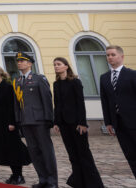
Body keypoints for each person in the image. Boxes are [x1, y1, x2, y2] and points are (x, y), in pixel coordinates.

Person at [53, 57, 104, 188]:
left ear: (66, 66)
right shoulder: (56, 84)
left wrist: (82, 123)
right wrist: (56, 122)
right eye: (54, 65)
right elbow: (57, 104)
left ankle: (94, 184)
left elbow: (80, 103)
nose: (56, 67)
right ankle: (79, 182)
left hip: (76, 123)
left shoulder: (75, 82)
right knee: (72, 155)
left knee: (84, 153)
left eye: (58, 64)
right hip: (64, 124)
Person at [13, 52, 57, 188]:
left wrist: (49, 119)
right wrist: (18, 120)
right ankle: (42, 179)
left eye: (22, 60)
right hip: (25, 121)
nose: (19, 63)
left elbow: (47, 100)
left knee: (46, 151)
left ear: (29, 63)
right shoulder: (17, 81)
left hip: (39, 121)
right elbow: (16, 104)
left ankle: (52, 181)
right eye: (18, 61)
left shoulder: (39, 79)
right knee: (34, 152)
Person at [0, 65, 30, 185]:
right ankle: (14, 174)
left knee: (13, 149)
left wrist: (12, 122)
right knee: (4, 149)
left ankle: (19, 175)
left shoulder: (8, 87)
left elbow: (12, 106)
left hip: (8, 122)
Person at [100, 44, 136, 179]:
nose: (110, 57)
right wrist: (108, 122)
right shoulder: (104, 77)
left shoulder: (132, 75)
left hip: (134, 121)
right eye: (108, 55)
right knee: (130, 155)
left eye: (113, 55)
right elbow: (105, 101)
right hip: (118, 123)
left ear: (122, 56)